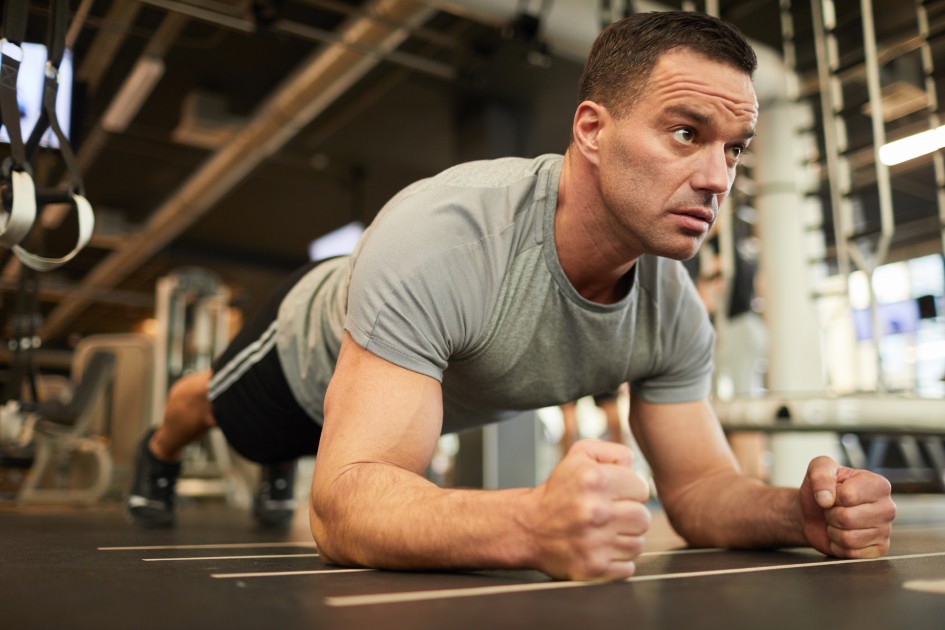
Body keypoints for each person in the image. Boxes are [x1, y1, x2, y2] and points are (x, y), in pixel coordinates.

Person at [127, 11, 896, 581]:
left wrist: (793, 513)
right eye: (685, 133)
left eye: (733, 149)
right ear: (590, 129)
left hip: (384, 407)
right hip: (303, 360)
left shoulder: (672, 313)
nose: (716, 178)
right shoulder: (444, 238)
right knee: (215, 412)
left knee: (302, 452)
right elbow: (341, 507)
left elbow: (698, 490)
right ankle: (156, 452)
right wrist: (530, 523)